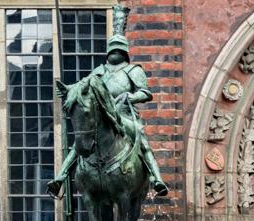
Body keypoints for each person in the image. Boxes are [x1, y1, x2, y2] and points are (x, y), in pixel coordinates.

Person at [48, 4, 169, 198]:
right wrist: (67, 89)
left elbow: (146, 93)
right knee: (80, 143)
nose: (115, 51)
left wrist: (131, 96)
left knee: (141, 138)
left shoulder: (133, 71)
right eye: (113, 48)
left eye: (118, 48)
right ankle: (60, 177)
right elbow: (82, 86)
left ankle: (157, 178)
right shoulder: (100, 71)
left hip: (124, 115)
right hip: (102, 117)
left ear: (124, 52)